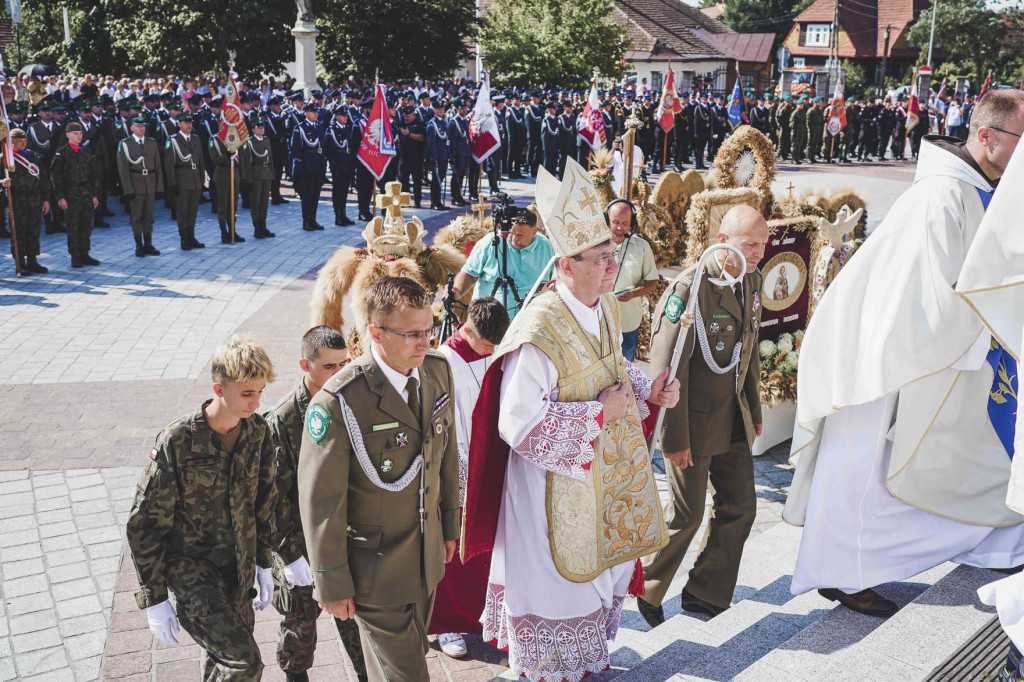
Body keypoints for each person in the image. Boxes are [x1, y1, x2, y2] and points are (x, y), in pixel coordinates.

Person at [784, 89, 1024, 616]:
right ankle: (840, 571)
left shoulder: (976, 188)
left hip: (919, 352)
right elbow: (937, 295)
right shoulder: (942, 196)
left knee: (960, 458)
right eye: (1021, 140)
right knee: (863, 469)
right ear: (987, 136)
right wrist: (1000, 328)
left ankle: (992, 544)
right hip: (882, 359)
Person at [461, 158, 679, 682]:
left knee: (597, 575)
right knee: (558, 585)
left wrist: (649, 387)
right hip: (546, 489)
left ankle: (581, 665)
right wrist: (599, 413)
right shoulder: (538, 328)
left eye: (611, 256)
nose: (610, 268)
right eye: (599, 258)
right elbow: (517, 423)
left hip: (595, 476)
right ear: (564, 265)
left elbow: (611, 364)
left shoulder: (603, 306)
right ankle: (546, 671)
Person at [298, 276, 461, 682]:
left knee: (396, 666)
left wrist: (450, 523)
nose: (425, 342)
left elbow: (447, 454)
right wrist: (330, 581)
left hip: (424, 560)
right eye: (412, 334)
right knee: (408, 675)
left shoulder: (437, 371)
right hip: (374, 570)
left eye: (429, 329)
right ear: (375, 331)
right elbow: (322, 501)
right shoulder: (340, 401)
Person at [637, 204, 766, 626]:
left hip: (731, 419)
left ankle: (705, 591)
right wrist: (674, 439)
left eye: (763, 243)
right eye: (751, 243)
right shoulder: (690, 288)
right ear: (722, 240)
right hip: (691, 422)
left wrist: (754, 410)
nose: (759, 251)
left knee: (742, 505)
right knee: (686, 516)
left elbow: (747, 352)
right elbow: (665, 370)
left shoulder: (751, 278)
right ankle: (648, 590)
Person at [126, 336, 278, 681]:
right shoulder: (178, 441)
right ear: (219, 389)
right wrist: (154, 597)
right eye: (246, 393)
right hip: (192, 573)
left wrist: (263, 561)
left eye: (259, 392)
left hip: (238, 571)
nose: (255, 402)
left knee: (222, 663)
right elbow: (145, 523)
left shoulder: (258, 432)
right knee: (244, 664)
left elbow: (266, 498)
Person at [263, 327, 367, 682]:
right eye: (328, 367)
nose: (338, 374)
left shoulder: (353, 401)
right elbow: (274, 498)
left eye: (344, 364)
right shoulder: (284, 419)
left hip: (346, 540)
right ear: (304, 365)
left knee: (359, 633)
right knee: (298, 636)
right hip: (300, 543)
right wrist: (289, 555)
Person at [432, 298, 511, 659]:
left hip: (492, 461)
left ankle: (486, 618)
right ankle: (446, 625)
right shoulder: (443, 362)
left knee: (485, 548)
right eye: (485, 345)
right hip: (458, 466)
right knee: (453, 548)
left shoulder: (496, 350)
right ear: (467, 328)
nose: (491, 351)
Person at [452, 207, 554, 320]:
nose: (514, 239)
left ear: (534, 232)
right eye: (511, 233)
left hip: (530, 318)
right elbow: (469, 274)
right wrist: (457, 290)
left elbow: (554, 279)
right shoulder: (490, 242)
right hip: (490, 319)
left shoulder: (545, 245)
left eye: (519, 235)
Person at [606, 199, 660, 362]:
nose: (620, 227)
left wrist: (633, 293)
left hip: (628, 324)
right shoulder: (595, 245)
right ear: (606, 220)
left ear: (632, 223)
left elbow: (652, 282)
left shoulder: (642, 247)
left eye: (625, 223)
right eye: (615, 222)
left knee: (625, 373)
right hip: (599, 321)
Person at [50, 121, 101, 269]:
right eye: (75, 133)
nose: (79, 136)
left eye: (80, 133)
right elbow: (56, 177)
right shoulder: (62, 153)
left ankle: (85, 253)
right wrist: (60, 197)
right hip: (71, 193)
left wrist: (95, 195)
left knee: (86, 225)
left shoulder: (85, 151)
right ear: (67, 135)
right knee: (73, 226)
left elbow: (93, 175)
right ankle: (75, 255)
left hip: (85, 192)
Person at [2, 128, 50, 275]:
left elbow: (44, 179)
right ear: (11, 142)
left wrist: (46, 199)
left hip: (34, 200)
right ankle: (20, 263)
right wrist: (2, 182)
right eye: (19, 141)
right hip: (17, 202)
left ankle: (33, 261)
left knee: (34, 231)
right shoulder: (5, 159)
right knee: (19, 233)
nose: (23, 144)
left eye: (24, 141)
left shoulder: (33, 156)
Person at [116, 116, 164, 257]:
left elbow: (158, 166)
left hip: (150, 183)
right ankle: (139, 245)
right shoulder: (125, 144)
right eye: (138, 126)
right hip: (135, 184)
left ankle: (148, 244)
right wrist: (127, 189)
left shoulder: (151, 143)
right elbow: (123, 169)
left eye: (143, 126)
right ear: (132, 128)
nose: (141, 128)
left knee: (149, 216)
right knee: (136, 217)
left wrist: (159, 187)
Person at [163, 112, 206, 251]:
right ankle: (183, 238)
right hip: (181, 178)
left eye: (190, 122)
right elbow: (169, 164)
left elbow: (201, 161)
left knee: (193, 210)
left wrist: (201, 178)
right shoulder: (173, 140)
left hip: (194, 178)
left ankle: (191, 236)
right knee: (182, 211)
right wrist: (172, 183)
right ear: (179, 124)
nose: (189, 125)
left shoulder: (196, 139)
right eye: (185, 122)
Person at [290, 102, 327, 232]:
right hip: (307, 166)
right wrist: (299, 169)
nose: (316, 114)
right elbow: (296, 151)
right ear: (306, 113)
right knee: (307, 195)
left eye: (317, 112)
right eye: (313, 112)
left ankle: (313, 219)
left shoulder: (319, 126)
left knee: (315, 195)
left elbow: (323, 146)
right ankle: (306, 221)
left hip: (318, 165)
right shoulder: (300, 128)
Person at [238, 120, 277, 239]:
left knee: (264, 202)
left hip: (266, 174)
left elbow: (270, 159)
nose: (261, 129)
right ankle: (257, 228)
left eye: (262, 127)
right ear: (253, 130)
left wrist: (272, 175)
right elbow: (246, 163)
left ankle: (263, 226)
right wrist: (247, 180)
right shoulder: (249, 142)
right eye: (258, 128)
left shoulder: (266, 140)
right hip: (255, 175)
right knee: (256, 203)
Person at [209, 132, 245, 243]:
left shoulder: (236, 137)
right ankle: (224, 232)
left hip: (235, 176)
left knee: (233, 206)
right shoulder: (214, 139)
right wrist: (227, 155)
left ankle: (232, 231)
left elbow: (242, 156)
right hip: (222, 177)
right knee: (223, 206)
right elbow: (215, 159)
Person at [325, 108, 357, 226]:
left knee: (344, 191)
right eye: (342, 116)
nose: (345, 117)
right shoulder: (332, 130)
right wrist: (333, 164)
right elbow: (329, 149)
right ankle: (338, 215)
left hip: (347, 164)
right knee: (338, 191)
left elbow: (351, 146)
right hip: (338, 164)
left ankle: (343, 214)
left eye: (346, 115)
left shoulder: (347, 129)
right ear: (337, 117)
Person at [425, 99, 450, 211]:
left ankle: (438, 201)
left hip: (444, 156)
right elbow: (431, 142)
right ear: (434, 110)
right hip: (437, 157)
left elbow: (446, 140)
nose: (441, 110)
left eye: (442, 108)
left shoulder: (443, 122)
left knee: (441, 178)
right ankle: (434, 202)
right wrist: (433, 157)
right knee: (436, 180)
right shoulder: (432, 124)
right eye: (438, 109)